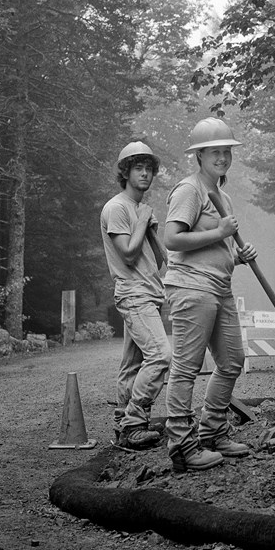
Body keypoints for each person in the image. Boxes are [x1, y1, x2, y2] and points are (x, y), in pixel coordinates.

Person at [163, 117, 257, 472]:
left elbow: (215, 248)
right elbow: (172, 239)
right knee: (186, 368)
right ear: (199, 156)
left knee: (232, 359)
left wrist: (237, 256)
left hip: (219, 286)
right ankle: (181, 446)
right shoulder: (189, 191)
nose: (222, 157)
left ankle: (213, 432)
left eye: (226, 151)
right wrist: (219, 231)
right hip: (191, 286)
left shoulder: (223, 195)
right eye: (215, 152)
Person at [100, 142, 172, 450]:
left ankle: (123, 421)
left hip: (149, 292)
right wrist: (142, 221)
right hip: (134, 293)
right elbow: (128, 255)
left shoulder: (139, 209)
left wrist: (151, 229)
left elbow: (160, 259)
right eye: (138, 168)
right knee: (161, 356)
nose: (145, 174)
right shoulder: (117, 208)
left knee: (133, 363)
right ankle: (134, 423)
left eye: (149, 169)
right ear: (125, 172)